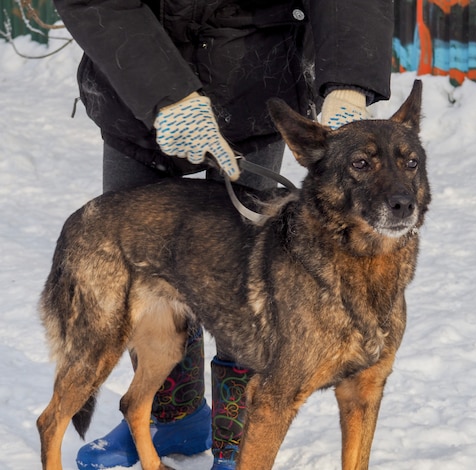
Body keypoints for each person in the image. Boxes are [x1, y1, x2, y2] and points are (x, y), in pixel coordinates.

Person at [51, 0, 394, 468]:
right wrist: (162, 92)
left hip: (256, 88)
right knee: (138, 274)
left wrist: (350, 83)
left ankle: (238, 443)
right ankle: (173, 418)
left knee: (252, 293)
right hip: (134, 92)